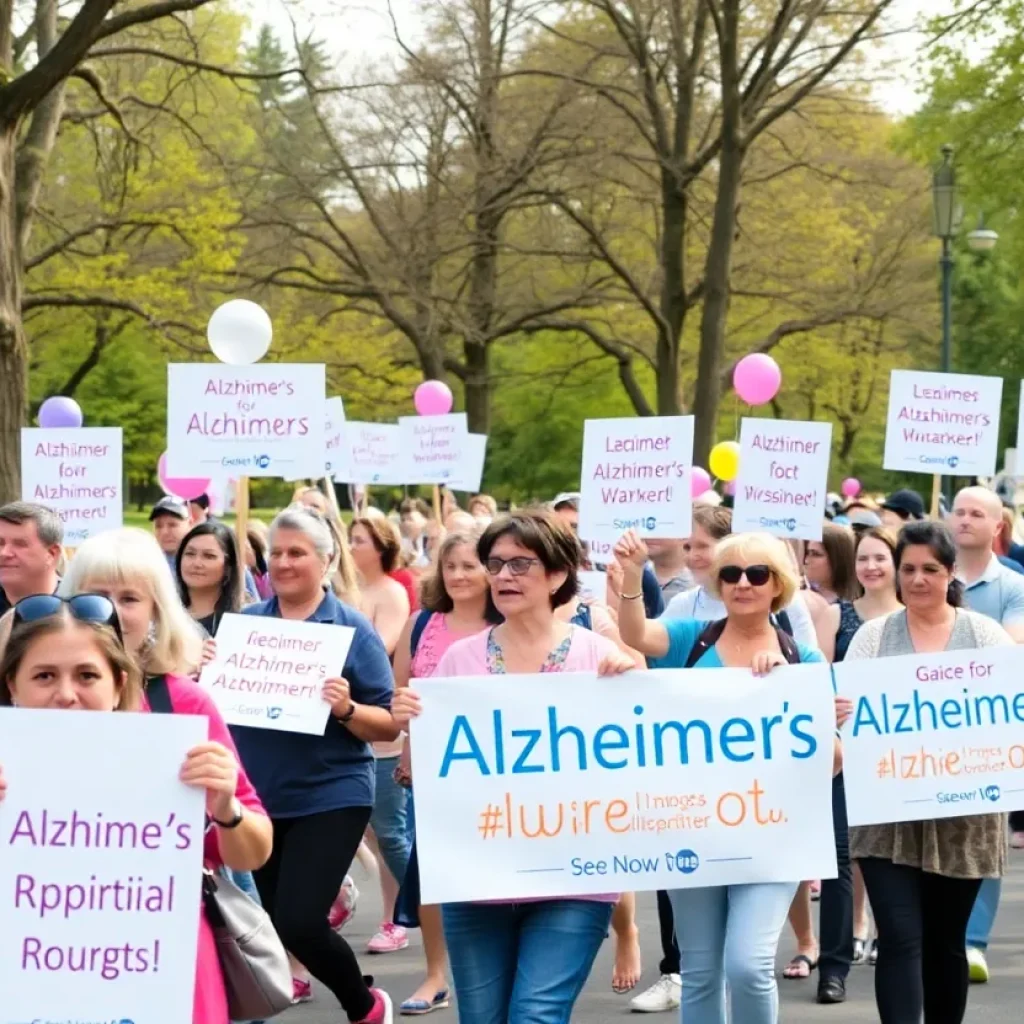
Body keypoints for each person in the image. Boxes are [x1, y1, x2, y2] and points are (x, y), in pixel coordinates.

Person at [391, 509, 635, 1024]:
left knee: (535, 1016)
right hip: (477, 876)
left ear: (557, 575)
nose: (502, 576)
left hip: (573, 877)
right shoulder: (459, 659)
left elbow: (643, 749)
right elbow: (444, 767)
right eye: (495, 564)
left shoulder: (598, 656)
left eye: (520, 564)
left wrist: (635, 678)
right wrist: (409, 718)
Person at [1, 594, 272, 1024]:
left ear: (118, 685)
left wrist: (225, 807)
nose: (66, 694)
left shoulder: (174, 754)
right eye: (45, 675)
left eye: (87, 675)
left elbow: (253, 854)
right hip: (34, 983)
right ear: (13, 685)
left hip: (163, 976)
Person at [615, 528, 836, 1024]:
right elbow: (635, 636)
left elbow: (834, 760)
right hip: (693, 827)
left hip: (772, 833)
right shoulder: (690, 641)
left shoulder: (804, 659)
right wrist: (632, 576)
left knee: (749, 964)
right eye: (731, 574)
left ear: (777, 583)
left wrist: (790, 694)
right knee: (699, 969)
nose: (743, 584)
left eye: (757, 574)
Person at [234, 507, 399, 1024]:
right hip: (261, 799)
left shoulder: (350, 628)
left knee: (300, 922)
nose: (283, 562)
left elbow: (389, 723)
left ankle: (365, 1006)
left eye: (297, 553)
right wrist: (207, 670)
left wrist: (347, 708)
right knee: (278, 923)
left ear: (325, 561)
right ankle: (361, 999)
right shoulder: (246, 627)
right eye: (277, 553)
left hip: (332, 794)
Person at [843, 520, 1012, 1024]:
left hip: (964, 820)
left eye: (930, 570)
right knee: (899, 937)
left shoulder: (983, 634)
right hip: (886, 818)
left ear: (950, 572)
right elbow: (849, 713)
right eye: (908, 569)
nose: (917, 580)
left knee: (944, 942)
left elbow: (1009, 710)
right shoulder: (874, 638)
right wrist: (839, 714)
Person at [391, 529, 498, 1014]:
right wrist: (408, 748)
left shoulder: (510, 622)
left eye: (469, 566)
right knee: (431, 867)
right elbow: (400, 695)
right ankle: (435, 975)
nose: (457, 575)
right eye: (449, 566)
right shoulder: (421, 624)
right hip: (434, 772)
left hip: (499, 771)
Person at [948, 485, 1024, 983]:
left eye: (978, 513)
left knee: (986, 827)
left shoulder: (1014, 584)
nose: (966, 520)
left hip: (987, 726)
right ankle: (938, 933)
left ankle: (973, 940)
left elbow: (1011, 645)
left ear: (998, 525)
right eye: (959, 511)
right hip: (922, 725)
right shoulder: (927, 569)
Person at [176, 520, 248, 635]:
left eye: (209, 556)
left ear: (228, 567)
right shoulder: (162, 616)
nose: (196, 563)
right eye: (190, 554)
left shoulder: (245, 621)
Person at [0, 502, 62, 616]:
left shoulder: (80, 612)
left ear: (52, 553)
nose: (4, 553)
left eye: (20, 544)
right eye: (0, 543)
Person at [804, 524, 858, 607]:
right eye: (808, 553)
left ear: (838, 559)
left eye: (816, 554)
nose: (806, 560)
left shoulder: (854, 606)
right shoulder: (799, 599)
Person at [150, 495, 191, 570]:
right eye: (158, 526)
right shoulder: (145, 565)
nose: (164, 532)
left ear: (190, 524)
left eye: (172, 525)